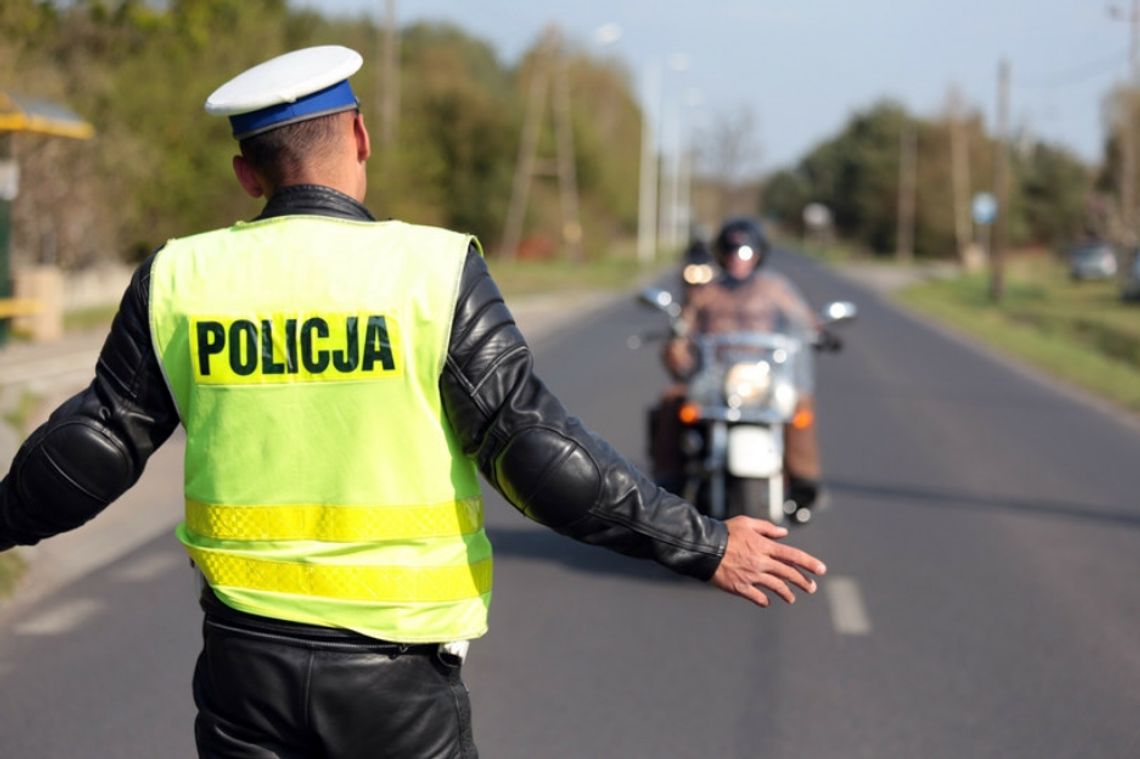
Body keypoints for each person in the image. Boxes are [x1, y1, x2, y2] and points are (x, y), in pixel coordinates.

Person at [0, 47, 826, 758]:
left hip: (242, 664)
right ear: (360, 137)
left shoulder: (181, 276)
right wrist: (702, 542)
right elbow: (535, 451)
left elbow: (98, 441)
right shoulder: (429, 273)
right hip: (394, 674)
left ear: (246, 173)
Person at [652, 216, 826, 519]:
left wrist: (819, 330)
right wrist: (678, 343)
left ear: (759, 254)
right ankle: (668, 483)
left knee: (799, 403)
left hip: (763, 377)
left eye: (746, 252)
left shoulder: (775, 288)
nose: (738, 259)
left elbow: (804, 319)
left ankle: (804, 481)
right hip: (714, 377)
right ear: (721, 254)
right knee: (671, 400)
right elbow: (684, 326)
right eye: (731, 252)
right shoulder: (707, 292)